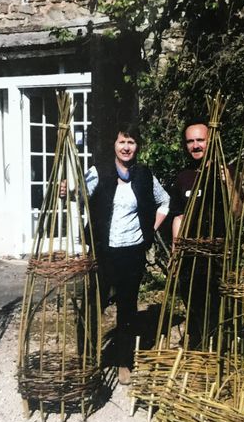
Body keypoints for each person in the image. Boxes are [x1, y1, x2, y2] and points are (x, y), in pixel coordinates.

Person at [85, 125, 169, 385]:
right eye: (122, 141)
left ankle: (124, 362)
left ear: (137, 146)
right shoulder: (98, 172)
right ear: (114, 144)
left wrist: (149, 230)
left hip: (132, 252)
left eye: (131, 142)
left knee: (127, 308)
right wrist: (69, 191)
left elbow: (165, 201)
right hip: (103, 252)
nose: (126, 147)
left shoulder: (144, 175)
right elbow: (78, 197)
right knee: (94, 305)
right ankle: (89, 359)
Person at [168, 118, 233, 349]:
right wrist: (176, 250)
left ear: (211, 141)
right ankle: (198, 349)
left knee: (217, 308)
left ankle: (216, 352)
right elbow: (178, 216)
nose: (195, 146)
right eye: (190, 141)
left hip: (217, 256)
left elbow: (237, 212)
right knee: (193, 303)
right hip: (190, 255)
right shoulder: (183, 177)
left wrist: (228, 183)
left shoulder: (224, 172)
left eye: (200, 140)